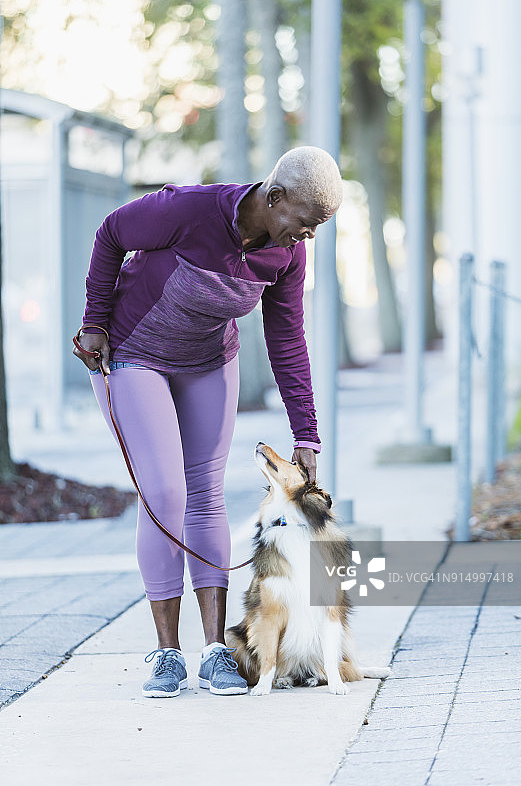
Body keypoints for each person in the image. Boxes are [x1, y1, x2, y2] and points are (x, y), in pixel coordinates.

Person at [73, 145, 343, 698]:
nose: (307, 236)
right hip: (134, 352)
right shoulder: (188, 210)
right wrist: (94, 321)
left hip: (207, 363)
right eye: (306, 222)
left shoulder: (287, 256)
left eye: (317, 229)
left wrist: (305, 432)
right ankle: (166, 653)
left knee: (207, 495)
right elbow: (110, 235)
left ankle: (215, 650)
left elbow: (287, 338)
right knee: (166, 494)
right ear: (275, 197)